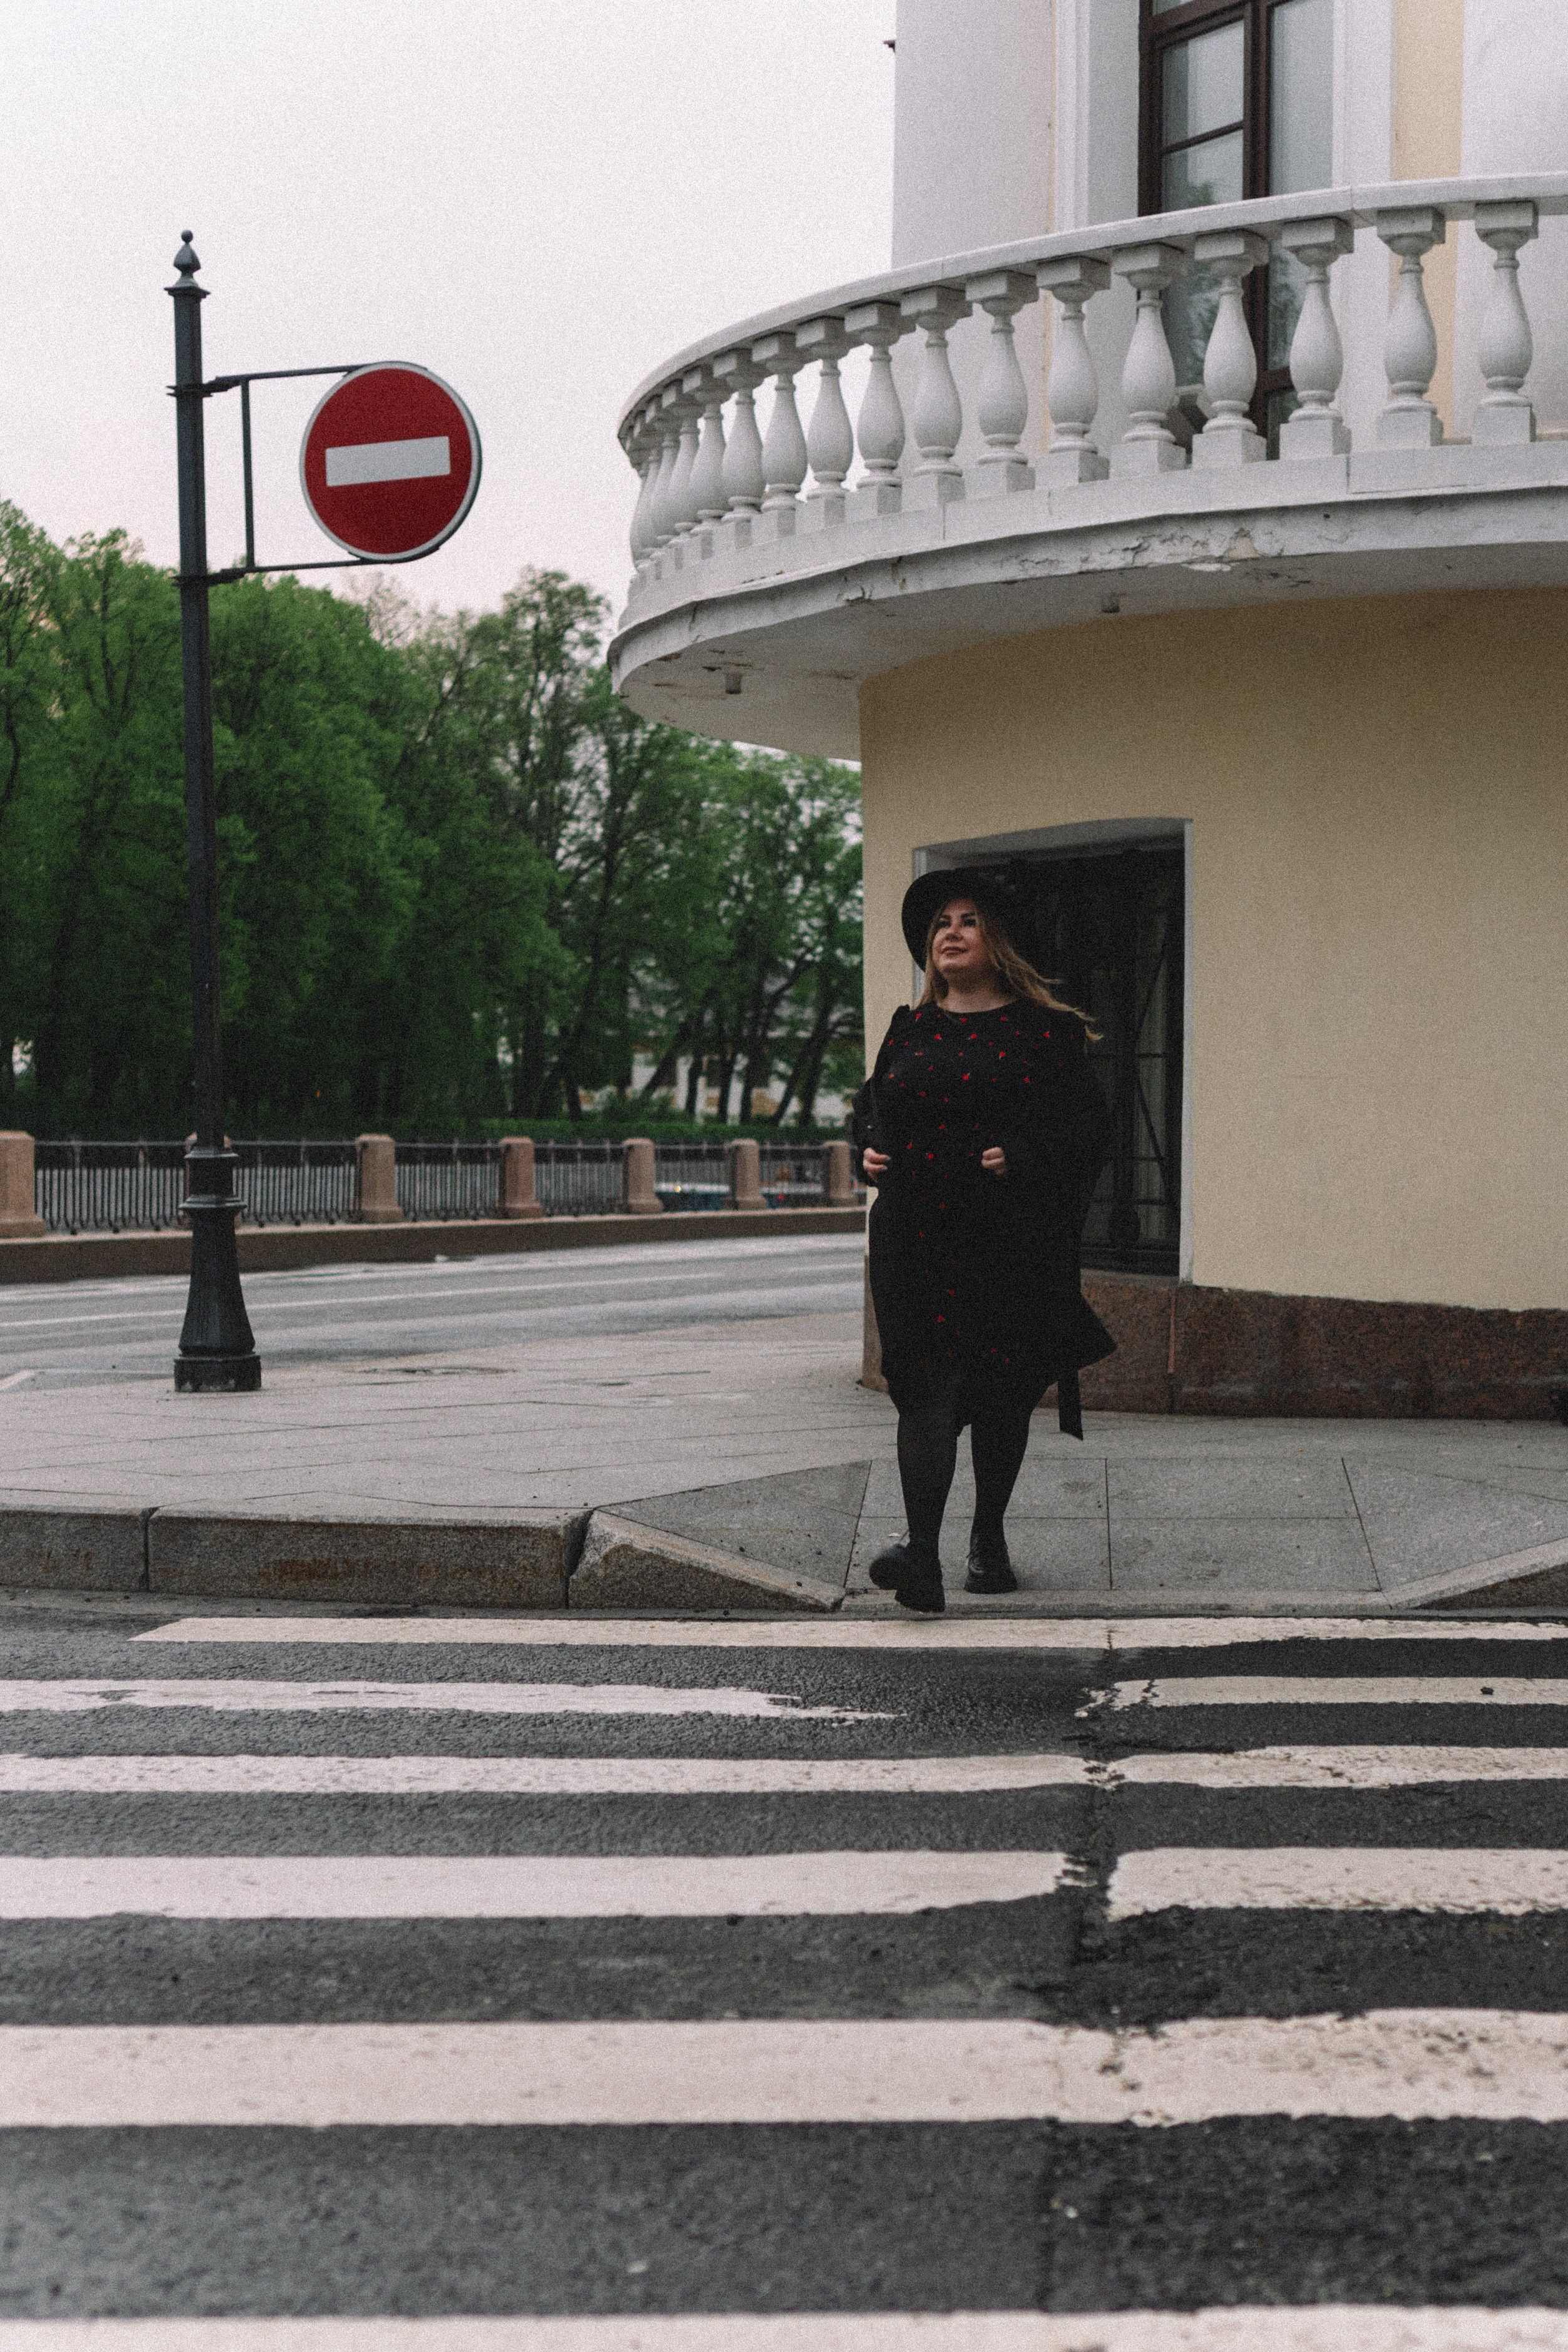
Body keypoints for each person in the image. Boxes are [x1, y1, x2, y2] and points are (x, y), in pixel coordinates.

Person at [854, 868, 1115, 1614]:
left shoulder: (1045, 1032)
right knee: (925, 1393)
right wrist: (866, 1151)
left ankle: (988, 1539)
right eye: (940, 923)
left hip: (1009, 1241)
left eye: (968, 921)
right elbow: (876, 1109)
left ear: (996, 940)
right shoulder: (911, 1028)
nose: (950, 932)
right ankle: (922, 1558)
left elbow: (1090, 1130)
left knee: (1000, 1396)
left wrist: (1026, 1154)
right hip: (916, 1237)